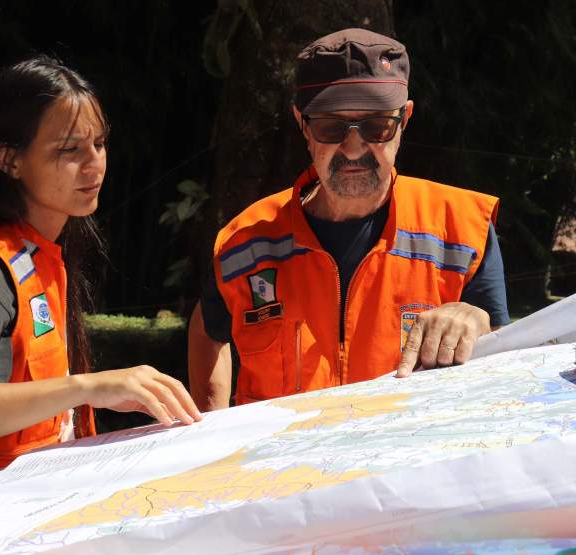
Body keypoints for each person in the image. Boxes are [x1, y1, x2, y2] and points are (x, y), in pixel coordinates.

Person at [0, 56, 201, 522]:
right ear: (9, 160)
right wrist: (89, 386)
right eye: (69, 150)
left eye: (100, 143)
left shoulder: (44, 254)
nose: (94, 164)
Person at [188, 29, 510, 410]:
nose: (354, 147)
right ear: (303, 126)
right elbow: (208, 327)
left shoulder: (461, 228)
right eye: (331, 127)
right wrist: (211, 428)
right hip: (279, 467)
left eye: (376, 126)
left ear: (404, 119)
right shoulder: (246, 240)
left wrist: (476, 318)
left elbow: (503, 353)